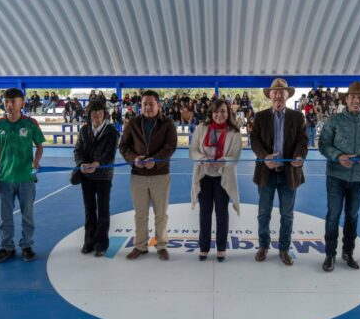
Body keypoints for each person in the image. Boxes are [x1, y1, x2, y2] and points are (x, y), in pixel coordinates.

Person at [318, 81, 360, 271]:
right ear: (346, 99)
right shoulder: (334, 120)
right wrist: (338, 156)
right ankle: (330, 255)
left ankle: (348, 252)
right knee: (333, 216)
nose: (356, 100)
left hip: (359, 177)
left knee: (352, 216)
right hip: (336, 176)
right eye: (353, 97)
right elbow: (323, 144)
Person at [250, 78, 308, 266]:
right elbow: (255, 141)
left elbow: (302, 141)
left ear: (287, 96)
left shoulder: (298, 117)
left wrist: (299, 156)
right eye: (275, 92)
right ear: (270, 96)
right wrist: (265, 158)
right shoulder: (260, 117)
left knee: (287, 214)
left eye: (281, 93)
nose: (278, 96)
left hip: (288, 173)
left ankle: (284, 248)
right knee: (263, 212)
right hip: (266, 173)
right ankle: (263, 246)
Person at [0, 88, 45, 264]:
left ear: (22, 103)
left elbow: (40, 146)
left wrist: (35, 163)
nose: (9, 105)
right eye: (7, 101)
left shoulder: (31, 124)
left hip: (27, 178)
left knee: (27, 215)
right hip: (5, 179)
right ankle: (7, 247)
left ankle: (27, 246)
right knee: (5, 216)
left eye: (13, 101)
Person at [119, 90, 177, 261]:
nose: (148, 107)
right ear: (141, 105)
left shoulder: (168, 123)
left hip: (160, 174)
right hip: (138, 175)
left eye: (151, 104)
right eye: (144, 104)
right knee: (140, 214)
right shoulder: (132, 123)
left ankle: (161, 246)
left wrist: (156, 160)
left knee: (161, 214)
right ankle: (140, 246)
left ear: (158, 105)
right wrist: (133, 159)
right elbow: (123, 146)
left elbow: (171, 146)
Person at [189, 99, 242, 262]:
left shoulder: (234, 132)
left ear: (228, 113)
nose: (219, 115)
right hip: (204, 176)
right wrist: (201, 158)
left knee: (222, 213)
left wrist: (223, 160)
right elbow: (193, 151)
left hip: (223, 177)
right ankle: (204, 247)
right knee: (204, 212)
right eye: (216, 112)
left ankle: (221, 248)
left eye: (223, 111)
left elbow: (235, 156)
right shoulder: (201, 128)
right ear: (211, 113)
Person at [74, 101, 119, 257]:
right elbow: (77, 150)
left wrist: (97, 164)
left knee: (103, 209)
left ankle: (101, 244)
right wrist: (81, 164)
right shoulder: (84, 130)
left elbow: (109, 154)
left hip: (103, 176)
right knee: (89, 209)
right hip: (86, 175)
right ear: (89, 113)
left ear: (104, 113)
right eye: (93, 111)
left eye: (100, 111)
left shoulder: (112, 131)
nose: (97, 114)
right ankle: (88, 242)